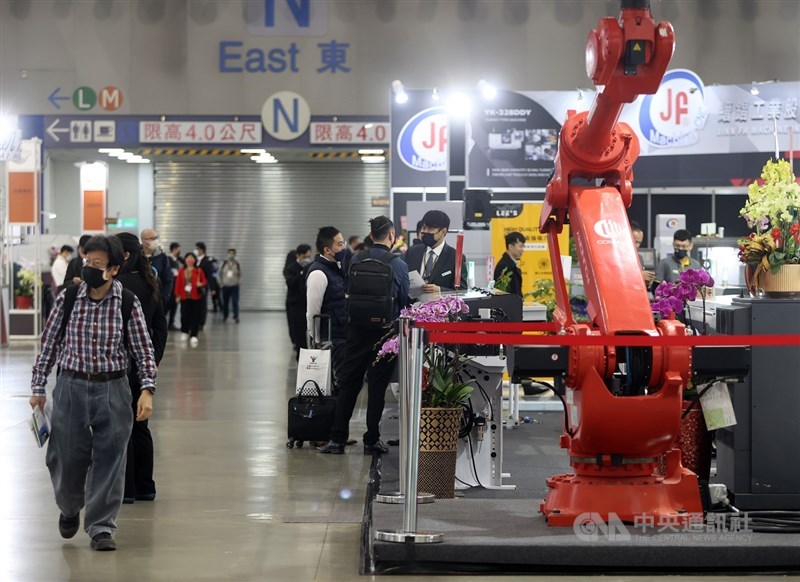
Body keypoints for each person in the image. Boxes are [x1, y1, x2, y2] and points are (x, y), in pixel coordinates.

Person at [28, 234, 156, 552]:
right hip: (71, 386)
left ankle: (100, 527)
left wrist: (147, 390)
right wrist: (38, 386)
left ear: (114, 269)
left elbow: (143, 351)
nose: (89, 267)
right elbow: (50, 342)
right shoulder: (68, 298)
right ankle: (70, 507)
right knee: (66, 457)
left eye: (97, 264)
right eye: (87, 261)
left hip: (113, 388)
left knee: (110, 461)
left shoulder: (127, 302)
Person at [318, 216, 410, 456]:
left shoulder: (355, 258)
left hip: (356, 331)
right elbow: (402, 301)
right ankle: (371, 440)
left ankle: (337, 439)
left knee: (349, 385)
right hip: (386, 334)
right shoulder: (398, 264)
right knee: (377, 388)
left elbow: (348, 291)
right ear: (391, 236)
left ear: (370, 236)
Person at [116, 233, 168, 505]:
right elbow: (160, 325)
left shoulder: (117, 286)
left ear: (123, 255)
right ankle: (145, 486)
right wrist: (153, 360)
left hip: (119, 364)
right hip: (143, 362)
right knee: (140, 425)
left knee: (121, 425)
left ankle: (126, 489)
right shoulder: (150, 282)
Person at [306, 228, 348, 386]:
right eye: (339, 244)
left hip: (340, 335)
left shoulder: (336, 269)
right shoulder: (318, 274)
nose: (343, 247)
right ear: (327, 249)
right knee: (334, 384)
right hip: (329, 339)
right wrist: (317, 341)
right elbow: (312, 312)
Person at [403, 210, 468, 294]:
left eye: (430, 229)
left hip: (440, 305)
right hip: (412, 305)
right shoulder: (412, 252)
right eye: (424, 227)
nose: (425, 232)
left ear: (443, 231)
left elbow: (462, 290)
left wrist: (440, 290)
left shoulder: (455, 257)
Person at [285, 244, 312, 359]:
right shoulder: (291, 268)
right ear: (298, 255)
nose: (307, 259)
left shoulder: (312, 267)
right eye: (304, 256)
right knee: (299, 333)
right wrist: (301, 273)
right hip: (296, 305)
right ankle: (300, 357)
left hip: (309, 304)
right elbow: (290, 283)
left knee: (312, 331)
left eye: (308, 256)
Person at [175, 252, 207, 347]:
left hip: (196, 297)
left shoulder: (199, 270)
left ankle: (194, 335)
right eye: (187, 258)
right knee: (184, 315)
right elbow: (178, 284)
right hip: (184, 297)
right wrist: (177, 295)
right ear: (185, 260)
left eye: (191, 258)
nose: (189, 260)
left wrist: (200, 284)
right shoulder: (181, 271)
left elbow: (204, 281)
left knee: (195, 316)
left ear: (194, 260)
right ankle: (184, 332)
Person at [141, 229, 174, 310]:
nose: (155, 240)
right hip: (140, 300)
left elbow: (168, 281)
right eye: (151, 238)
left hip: (158, 301)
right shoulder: (137, 256)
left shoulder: (163, 258)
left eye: (156, 238)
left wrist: (163, 298)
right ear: (143, 240)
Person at [494, 232, 525, 296]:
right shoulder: (504, 266)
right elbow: (502, 291)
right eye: (520, 246)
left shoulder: (512, 264)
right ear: (510, 246)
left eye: (523, 246)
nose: (522, 249)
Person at [219, 248, 242, 323]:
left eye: (233, 253)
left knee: (235, 302)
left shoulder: (237, 264)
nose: (231, 255)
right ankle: (225, 316)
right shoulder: (223, 264)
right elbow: (218, 274)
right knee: (225, 302)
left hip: (234, 286)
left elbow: (241, 274)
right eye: (230, 253)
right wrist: (221, 283)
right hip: (225, 286)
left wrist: (239, 282)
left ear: (235, 255)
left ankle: (236, 316)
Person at [195, 242, 215, 328]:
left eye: (197, 249)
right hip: (195, 286)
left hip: (203, 286)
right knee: (195, 304)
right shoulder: (195, 260)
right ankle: (195, 321)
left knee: (202, 305)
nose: (196, 251)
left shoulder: (207, 261)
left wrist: (212, 288)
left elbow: (210, 275)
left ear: (201, 250)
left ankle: (201, 323)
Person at [631, 221, 655, 287]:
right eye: (634, 241)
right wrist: (638, 276)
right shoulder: (616, 258)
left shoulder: (639, 258)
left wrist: (647, 281)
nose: (637, 246)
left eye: (639, 243)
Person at [166, 242, 183, 329]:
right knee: (168, 305)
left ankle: (171, 323)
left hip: (177, 286)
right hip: (170, 286)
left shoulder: (178, 260)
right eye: (178, 249)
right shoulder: (168, 259)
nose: (180, 251)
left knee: (174, 305)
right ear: (174, 249)